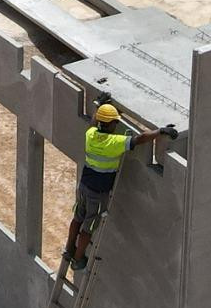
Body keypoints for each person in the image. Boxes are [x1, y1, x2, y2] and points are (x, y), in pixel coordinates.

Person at [64, 102, 175, 269]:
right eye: (115, 122)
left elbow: (94, 122)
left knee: (77, 218)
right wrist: (160, 132)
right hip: (98, 192)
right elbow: (140, 139)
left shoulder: (90, 135)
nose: (117, 124)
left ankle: (69, 249)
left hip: (84, 187)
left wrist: (100, 107)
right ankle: (78, 259)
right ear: (109, 124)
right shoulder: (114, 142)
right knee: (88, 227)